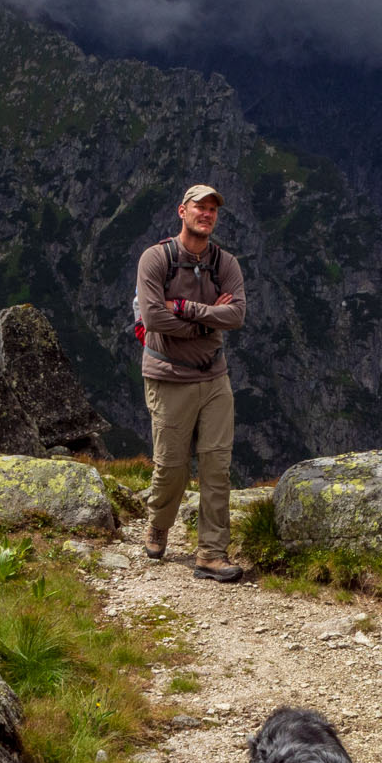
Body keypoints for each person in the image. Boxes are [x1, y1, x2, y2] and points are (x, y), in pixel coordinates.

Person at [138, 183, 247, 581]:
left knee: (217, 466)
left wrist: (184, 308)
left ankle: (211, 554)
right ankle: (158, 524)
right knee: (171, 467)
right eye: (199, 207)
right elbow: (153, 319)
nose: (207, 214)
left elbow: (236, 316)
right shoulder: (155, 259)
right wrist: (207, 320)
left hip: (215, 378)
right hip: (169, 377)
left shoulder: (225, 263)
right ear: (181, 211)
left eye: (213, 209)